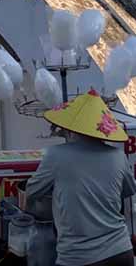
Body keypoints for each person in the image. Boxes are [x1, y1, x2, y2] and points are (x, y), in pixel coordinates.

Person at [26, 90, 135, 266]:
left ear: (72, 128)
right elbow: (128, 190)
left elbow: (32, 191)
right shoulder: (118, 156)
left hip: (78, 256)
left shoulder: (56, 155)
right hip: (120, 252)